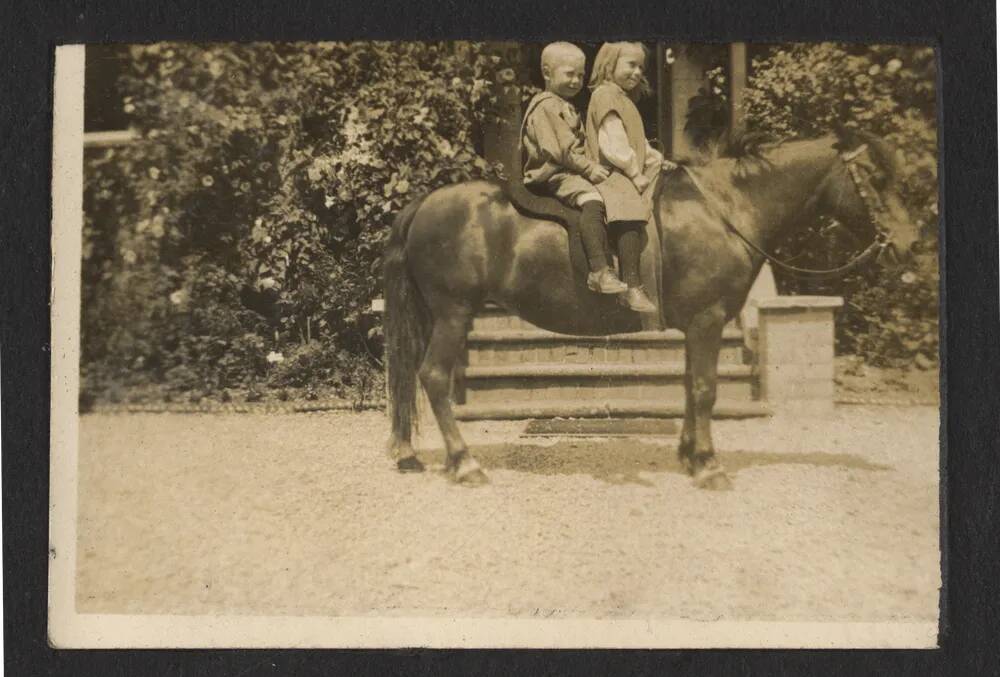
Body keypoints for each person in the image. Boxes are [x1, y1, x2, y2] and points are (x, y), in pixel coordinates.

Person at [521, 42, 628, 295]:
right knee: (592, 200)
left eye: (581, 75)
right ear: (547, 73)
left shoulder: (563, 104)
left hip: (569, 170)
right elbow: (560, 150)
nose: (576, 81)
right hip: (553, 174)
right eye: (570, 73)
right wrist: (590, 169)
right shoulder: (546, 105)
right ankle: (599, 271)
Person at [585, 42, 678, 313]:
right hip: (612, 172)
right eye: (631, 65)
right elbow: (613, 145)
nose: (637, 72)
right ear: (609, 65)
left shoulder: (625, 99)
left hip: (626, 169)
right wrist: (636, 173)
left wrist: (657, 161)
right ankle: (632, 286)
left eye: (641, 67)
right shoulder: (604, 95)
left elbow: (639, 144)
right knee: (629, 209)